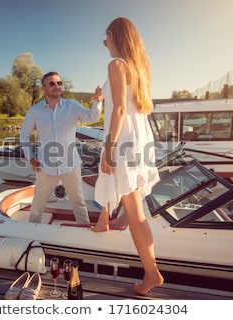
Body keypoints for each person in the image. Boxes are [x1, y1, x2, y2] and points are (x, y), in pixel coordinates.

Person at [91, 17, 164, 295]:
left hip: (126, 141)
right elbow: (125, 107)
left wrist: (109, 148)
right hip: (138, 138)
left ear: (115, 37)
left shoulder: (116, 64)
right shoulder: (138, 68)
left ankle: (151, 273)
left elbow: (120, 109)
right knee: (128, 196)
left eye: (106, 37)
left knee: (135, 211)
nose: (104, 43)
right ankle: (103, 220)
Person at [20, 71, 103, 224]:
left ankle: (83, 232)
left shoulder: (72, 105)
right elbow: (24, 134)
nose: (57, 86)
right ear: (43, 88)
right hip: (46, 167)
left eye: (59, 83)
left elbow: (92, 117)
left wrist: (97, 101)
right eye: (52, 83)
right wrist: (30, 157)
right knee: (38, 205)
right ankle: (32, 234)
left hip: (71, 165)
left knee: (79, 204)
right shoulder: (35, 111)